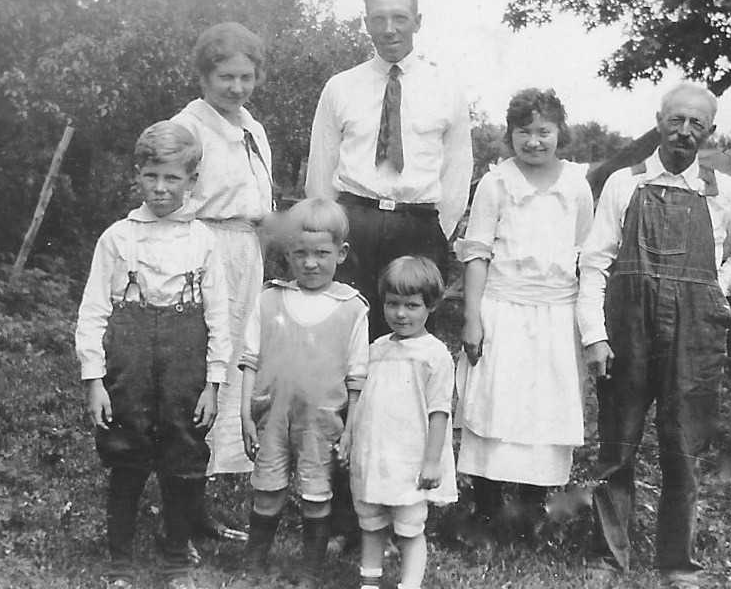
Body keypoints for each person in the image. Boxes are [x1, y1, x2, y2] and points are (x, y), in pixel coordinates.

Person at [577, 82, 731, 588]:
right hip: (628, 330)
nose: (685, 132)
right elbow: (595, 263)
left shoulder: (720, 190)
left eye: (697, 124)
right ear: (660, 120)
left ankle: (677, 564)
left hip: (694, 334)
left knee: (682, 446)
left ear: (710, 131)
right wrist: (595, 335)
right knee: (617, 443)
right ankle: (607, 557)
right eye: (676, 120)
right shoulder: (625, 183)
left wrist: (717, 287)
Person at [75, 121, 231, 589]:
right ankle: (120, 561)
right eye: (151, 176)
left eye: (172, 178)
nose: (161, 188)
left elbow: (220, 317)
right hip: (130, 357)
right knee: (126, 453)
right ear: (138, 175)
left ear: (192, 181)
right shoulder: (118, 237)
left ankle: (176, 558)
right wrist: (95, 380)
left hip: (186, 358)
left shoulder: (203, 240)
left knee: (183, 455)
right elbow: (93, 311)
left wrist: (214, 382)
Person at [455, 88, 595, 535]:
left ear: (560, 133)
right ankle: (488, 505)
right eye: (524, 132)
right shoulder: (496, 184)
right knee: (495, 400)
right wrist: (473, 317)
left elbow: (585, 251)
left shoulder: (575, 184)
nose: (534, 141)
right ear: (509, 135)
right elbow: (476, 252)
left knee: (544, 406)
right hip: (503, 306)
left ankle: (533, 508)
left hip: (556, 311)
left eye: (543, 131)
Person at [305, 0, 473, 340]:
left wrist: (434, 232)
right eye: (378, 19)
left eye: (399, 17)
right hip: (354, 225)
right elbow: (320, 170)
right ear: (366, 23)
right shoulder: (340, 87)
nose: (389, 29)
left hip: (417, 225)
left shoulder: (446, 88)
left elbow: (458, 174)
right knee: (344, 335)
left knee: (406, 341)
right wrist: (330, 231)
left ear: (418, 21)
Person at [170, 21, 273, 541]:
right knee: (198, 376)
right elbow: (169, 203)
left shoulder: (252, 128)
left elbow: (260, 208)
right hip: (201, 253)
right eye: (225, 76)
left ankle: (199, 510)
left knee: (233, 373)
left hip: (245, 255)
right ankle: (180, 517)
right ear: (204, 75)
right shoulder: (187, 128)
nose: (236, 87)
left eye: (246, 77)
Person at [239, 198, 369, 588]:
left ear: (341, 253)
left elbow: (356, 379)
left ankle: (309, 571)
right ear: (288, 253)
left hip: (321, 422)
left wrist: (350, 429)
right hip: (271, 416)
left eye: (321, 254)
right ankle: (254, 563)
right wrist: (246, 413)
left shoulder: (351, 308)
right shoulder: (269, 299)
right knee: (268, 491)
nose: (310, 263)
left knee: (316, 494)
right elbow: (250, 360)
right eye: (300, 254)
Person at [347, 256, 458, 589]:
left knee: (409, 527)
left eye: (411, 305)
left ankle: (409, 584)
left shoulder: (434, 354)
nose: (400, 313)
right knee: (371, 523)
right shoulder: (378, 348)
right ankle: (369, 582)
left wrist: (431, 461)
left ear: (431, 306)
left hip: (410, 456)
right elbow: (366, 401)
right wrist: (351, 438)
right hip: (375, 452)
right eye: (393, 304)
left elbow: (439, 411)